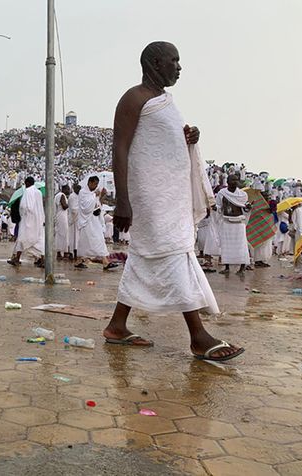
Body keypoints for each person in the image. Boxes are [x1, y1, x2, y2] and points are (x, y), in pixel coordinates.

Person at [106, 42, 243, 362]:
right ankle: (198, 336)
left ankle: (116, 326)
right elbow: (121, 148)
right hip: (151, 197)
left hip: (170, 196)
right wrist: (122, 201)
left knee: (146, 255)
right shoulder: (134, 98)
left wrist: (191, 137)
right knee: (172, 253)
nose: (179, 67)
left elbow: (163, 142)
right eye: (174, 61)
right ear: (155, 63)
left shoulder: (165, 102)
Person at [75, 176, 114, 271]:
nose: (96, 186)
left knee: (98, 239)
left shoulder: (92, 193)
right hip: (87, 221)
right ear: (90, 183)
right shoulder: (83, 192)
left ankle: (81, 260)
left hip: (94, 221)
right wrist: (94, 195)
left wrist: (101, 196)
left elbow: (97, 205)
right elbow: (85, 207)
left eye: (97, 184)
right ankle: (105, 262)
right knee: (89, 240)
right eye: (95, 184)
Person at [217, 174, 252, 276]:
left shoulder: (242, 195)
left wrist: (248, 208)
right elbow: (219, 207)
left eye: (236, 180)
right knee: (227, 245)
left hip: (239, 223)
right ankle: (227, 267)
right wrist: (215, 208)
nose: (235, 182)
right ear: (227, 182)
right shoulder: (222, 193)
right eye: (232, 180)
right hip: (227, 222)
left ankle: (242, 268)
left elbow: (245, 209)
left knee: (241, 246)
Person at [8, 177, 45, 267]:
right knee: (38, 239)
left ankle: (17, 259)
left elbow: (24, 207)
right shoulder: (39, 192)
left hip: (27, 220)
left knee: (22, 239)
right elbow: (40, 207)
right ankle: (42, 259)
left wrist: (21, 214)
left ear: (27, 183)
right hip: (38, 220)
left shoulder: (27, 191)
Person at [54, 184, 69, 260]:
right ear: (64, 189)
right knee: (63, 234)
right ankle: (61, 253)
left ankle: (60, 252)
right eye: (68, 189)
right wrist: (70, 204)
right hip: (62, 216)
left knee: (60, 234)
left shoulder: (57, 195)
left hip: (59, 215)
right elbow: (64, 206)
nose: (69, 191)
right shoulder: (62, 195)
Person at [67, 184, 80, 260]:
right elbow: (73, 209)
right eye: (77, 188)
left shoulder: (78, 196)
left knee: (77, 237)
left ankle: (76, 252)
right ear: (74, 189)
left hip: (78, 219)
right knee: (73, 237)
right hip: (73, 219)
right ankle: (71, 252)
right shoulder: (72, 196)